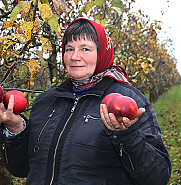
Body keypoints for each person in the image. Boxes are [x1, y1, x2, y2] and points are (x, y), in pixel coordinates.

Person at [0, 18, 171, 185]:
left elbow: (158, 177)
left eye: (85, 49)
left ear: (102, 52)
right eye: (69, 49)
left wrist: (127, 135)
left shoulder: (130, 101)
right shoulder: (46, 101)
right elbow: (21, 169)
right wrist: (15, 128)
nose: (75, 56)